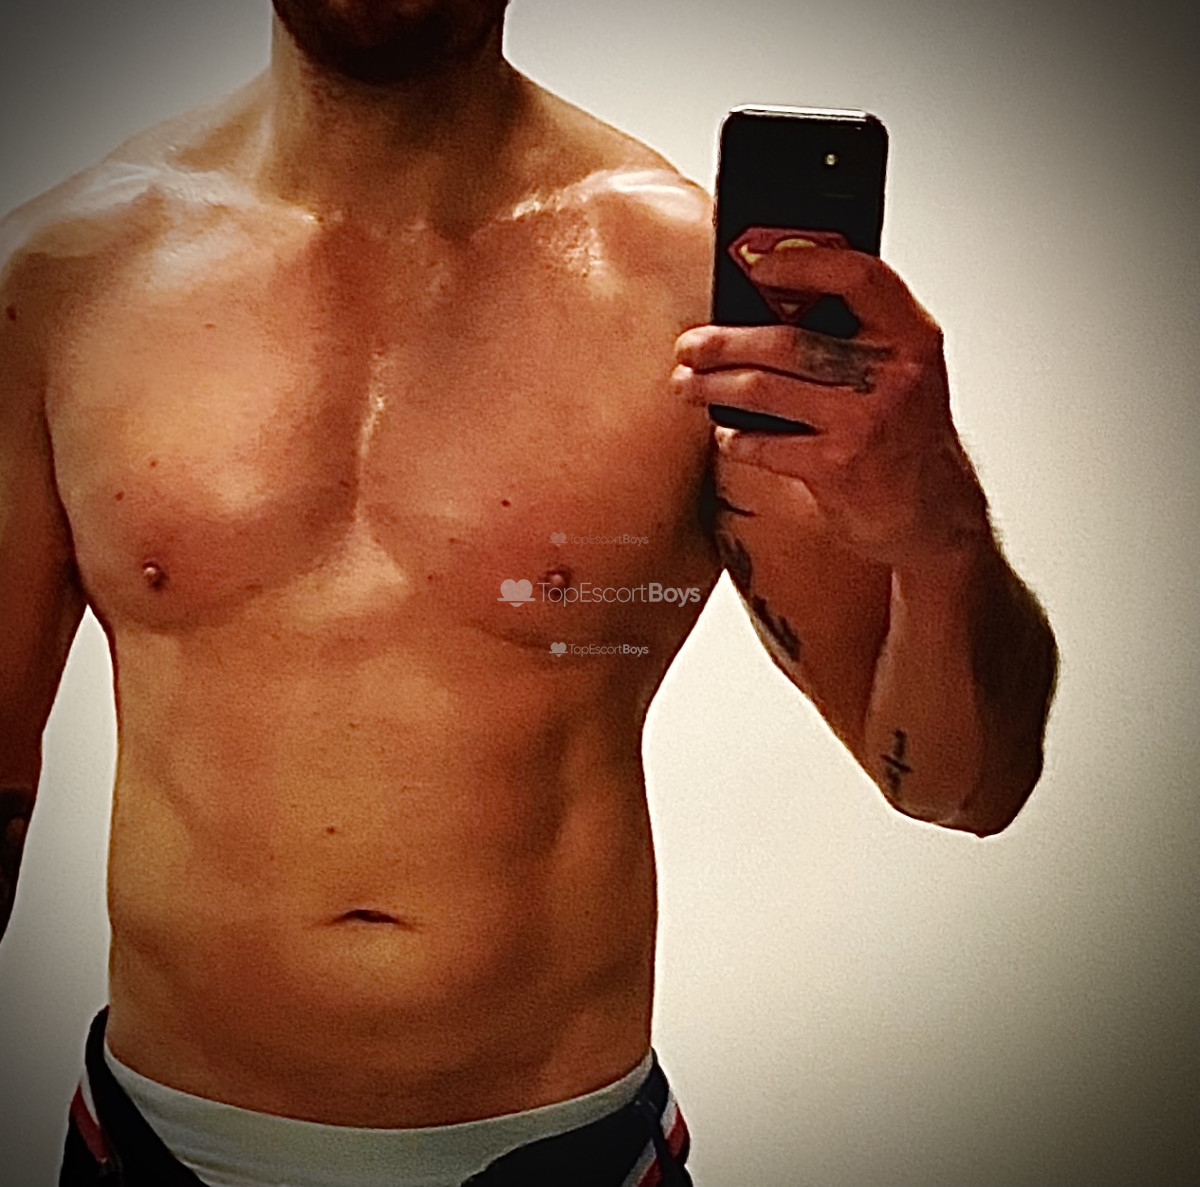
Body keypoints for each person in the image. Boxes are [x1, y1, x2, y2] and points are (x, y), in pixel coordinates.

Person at [0, 1, 1058, 1183]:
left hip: (566, 1153)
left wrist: (941, 534)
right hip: (154, 1147)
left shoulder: (697, 300)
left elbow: (965, 786)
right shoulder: (61, 279)